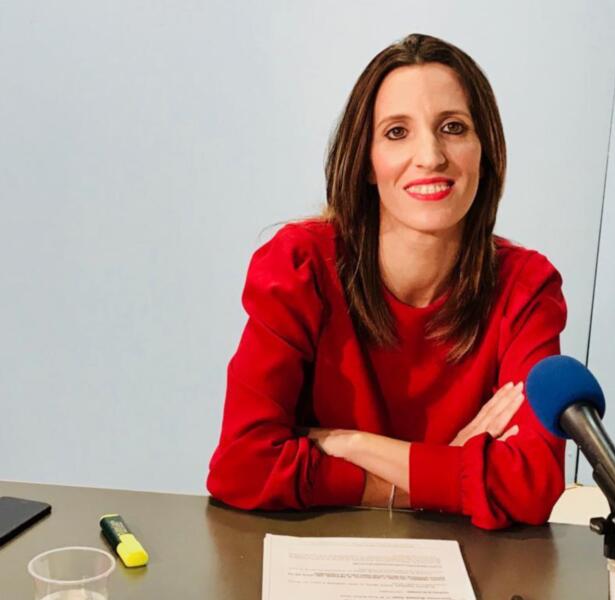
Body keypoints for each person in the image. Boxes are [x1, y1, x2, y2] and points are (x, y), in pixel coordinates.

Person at [207, 33, 567, 530]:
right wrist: (444, 474)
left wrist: (351, 444)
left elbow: (530, 487)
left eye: (453, 127)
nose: (430, 156)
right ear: (367, 163)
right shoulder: (300, 265)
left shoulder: (527, 288)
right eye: (397, 132)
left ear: (485, 152)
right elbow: (242, 467)